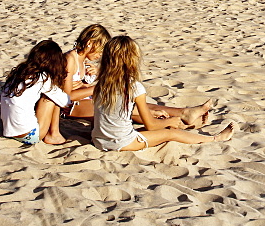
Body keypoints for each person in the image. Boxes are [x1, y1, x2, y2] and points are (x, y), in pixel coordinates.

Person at [92, 36, 233, 152]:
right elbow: (151, 126)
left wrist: (154, 113)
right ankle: (215, 138)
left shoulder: (102, 84)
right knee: (170, 132)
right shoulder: (134, 87)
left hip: (99, 140)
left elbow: (117, 110)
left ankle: (187, 124)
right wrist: (170, 121)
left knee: (160, 126)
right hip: (121, 143)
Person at [63, 24, 209, 125]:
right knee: (127, 109)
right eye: (100, 50)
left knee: (136, 105)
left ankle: (184, 113)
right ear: (90, 43)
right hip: (70, 107)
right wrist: (97, 87)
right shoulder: (70, 59)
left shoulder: (83, 61)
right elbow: (66, 96)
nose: (100, 55)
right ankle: (177, 120)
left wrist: (86, 85)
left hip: (83, 100)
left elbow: (76, 89)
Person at [0, 40, 70, 145]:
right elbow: (65, 101)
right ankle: (53, 135)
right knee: (50, 98)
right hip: (29, 136)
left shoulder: (19, 73)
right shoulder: (42, 77)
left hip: (8, 131)